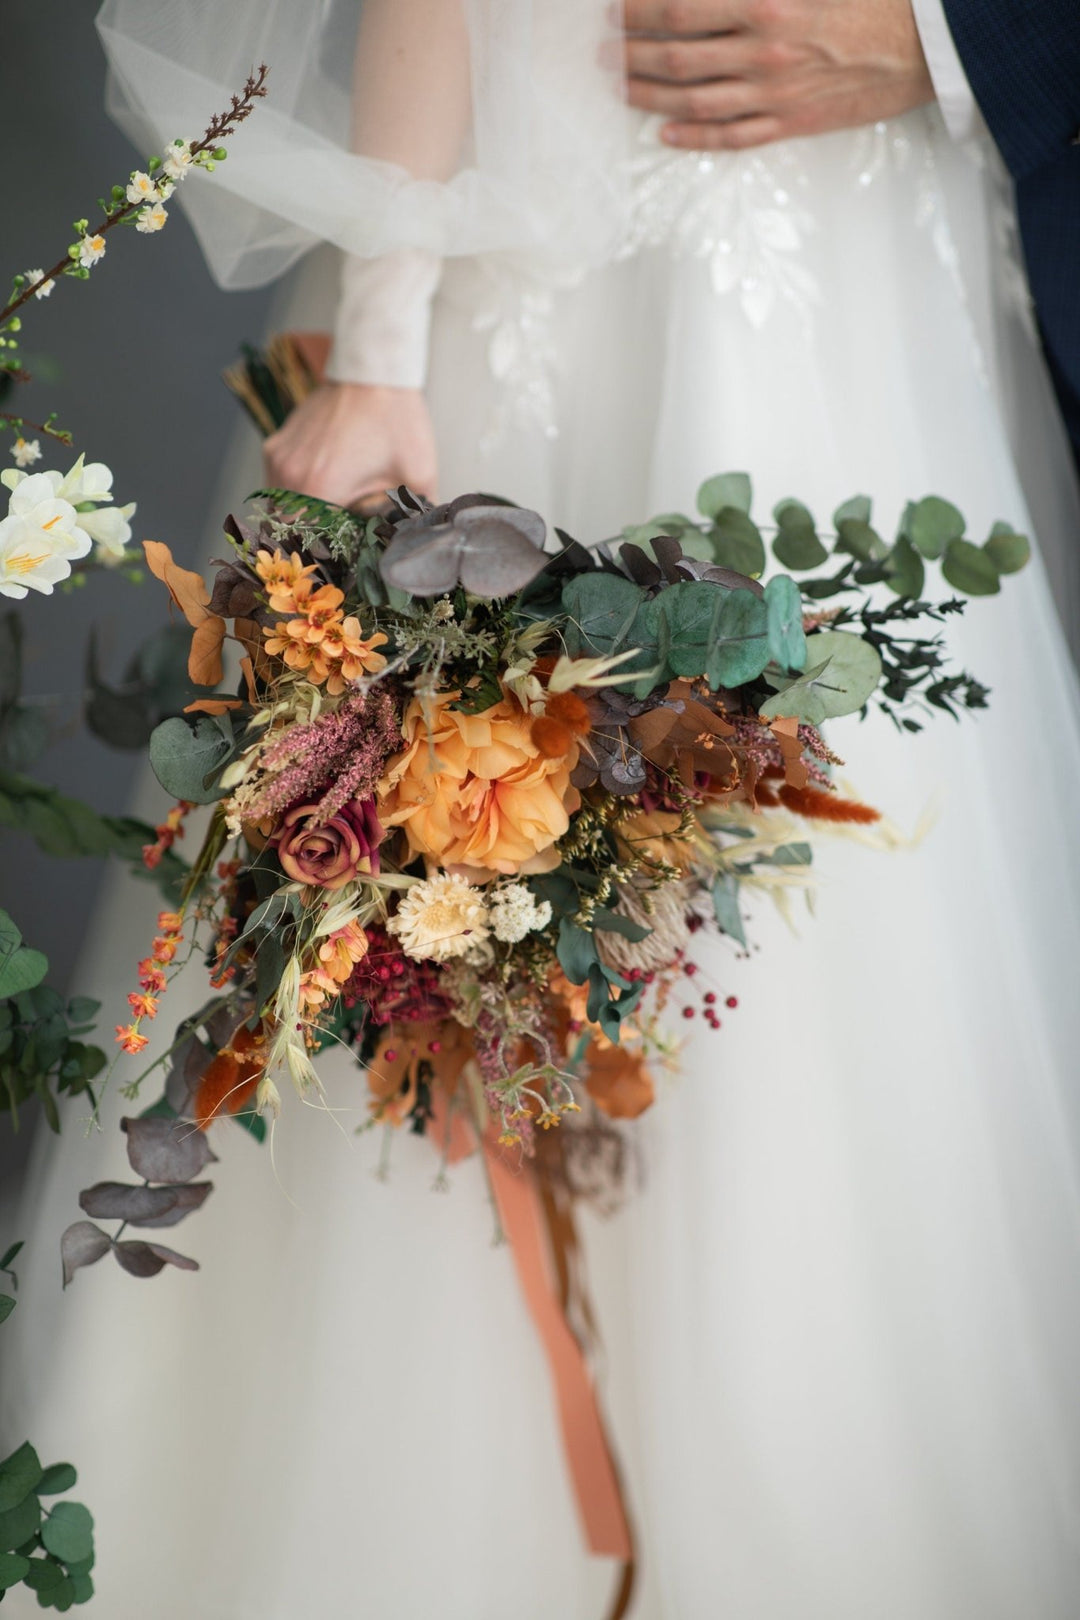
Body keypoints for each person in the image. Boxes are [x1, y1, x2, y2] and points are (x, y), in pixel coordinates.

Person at [5, 2, 1080, 1615]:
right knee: (479, 901)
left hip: (852, 237)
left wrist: (944, 35)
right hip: (563, 228)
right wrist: (381, 342)